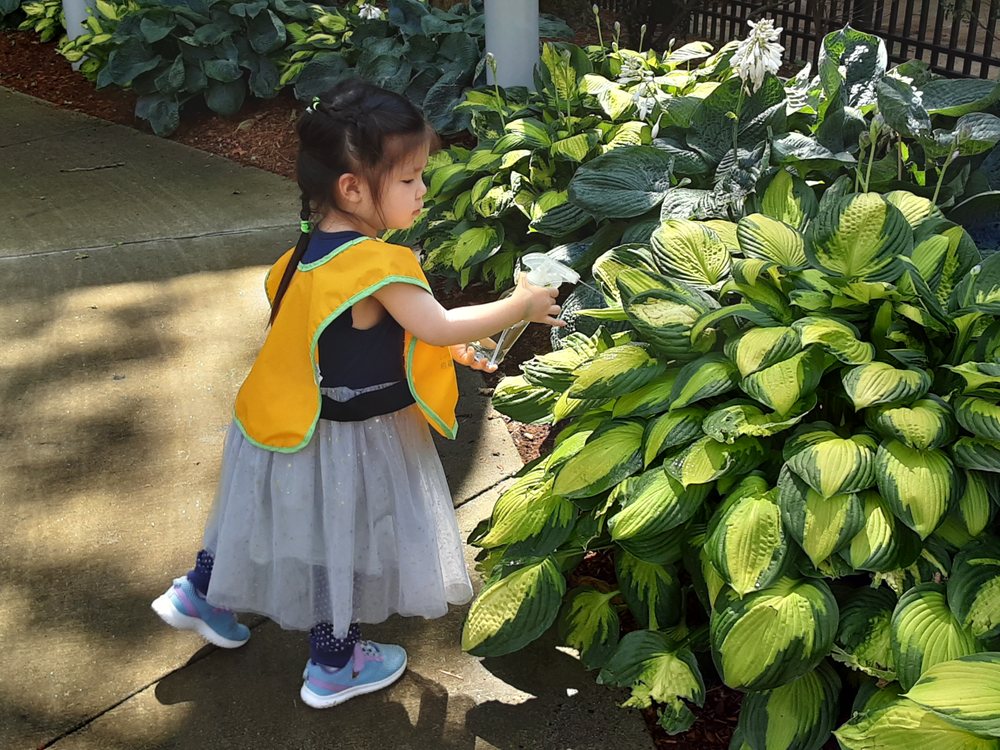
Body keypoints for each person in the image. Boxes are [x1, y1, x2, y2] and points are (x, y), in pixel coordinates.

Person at [150, 79, 563, 709]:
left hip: (272, 421)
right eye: (409, 179)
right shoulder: (379, 265)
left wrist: (429, 347)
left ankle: (201, 594)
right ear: (352, 187)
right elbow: (438, 324)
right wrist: (520, 305)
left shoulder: (298, 259)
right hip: (344, 434)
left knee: (260, 520)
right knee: (336, 544)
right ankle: (333, 663)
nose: (423, 189)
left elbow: (343, 333)